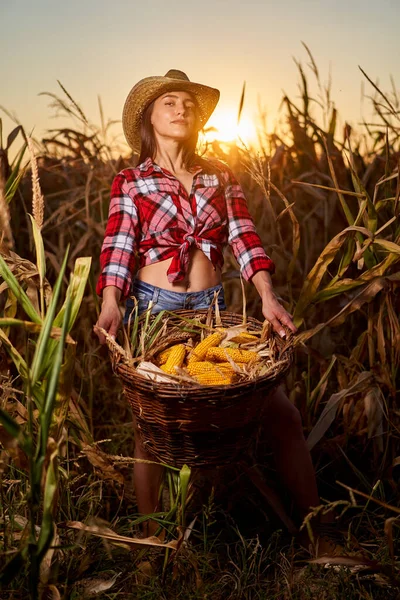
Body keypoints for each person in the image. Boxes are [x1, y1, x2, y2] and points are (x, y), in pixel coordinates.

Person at [94, 69, 326, 545]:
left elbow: (243, 237)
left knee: (282, 415)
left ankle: (317, 532)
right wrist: (111, 302)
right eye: (169, 103)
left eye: (188, 103)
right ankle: (152, 544)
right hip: (154, 310)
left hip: (212, 311)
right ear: (148, 119)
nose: (182, 110)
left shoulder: (219, 175)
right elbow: (119, 246)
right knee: (151, 430)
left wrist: (265, 295)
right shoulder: (132, 180)